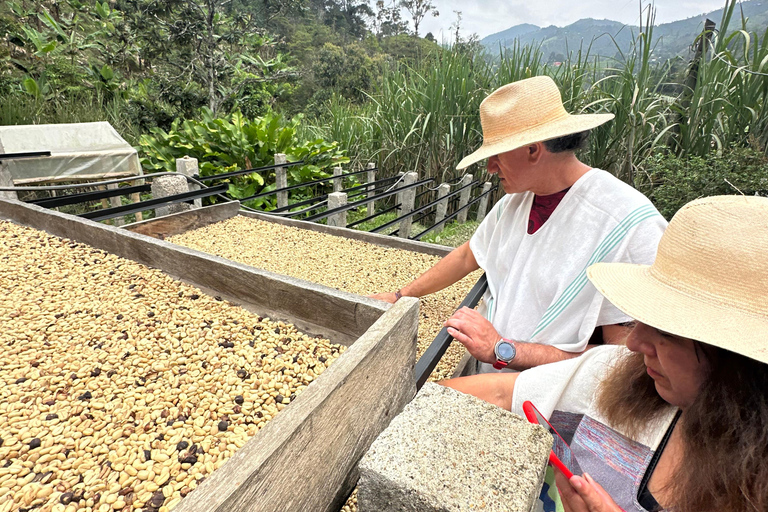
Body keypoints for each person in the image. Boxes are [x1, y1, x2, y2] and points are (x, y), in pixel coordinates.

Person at [443, 195, 768, 512]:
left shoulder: (618, 214)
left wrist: (504, 349)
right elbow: (500, 391)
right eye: (637, 319)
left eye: (666, 332)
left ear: (739, 362)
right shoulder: (618, 375)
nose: (632, 343)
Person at [371, 76, 667, 372]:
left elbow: (625, 361)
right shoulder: (515, 204)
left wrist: (504, 350)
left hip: (543, 400)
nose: (490, 167)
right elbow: (467, 256)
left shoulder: (627, 225)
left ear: (533, 150)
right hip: (492, 373)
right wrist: (401, 296)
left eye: (497, 155)